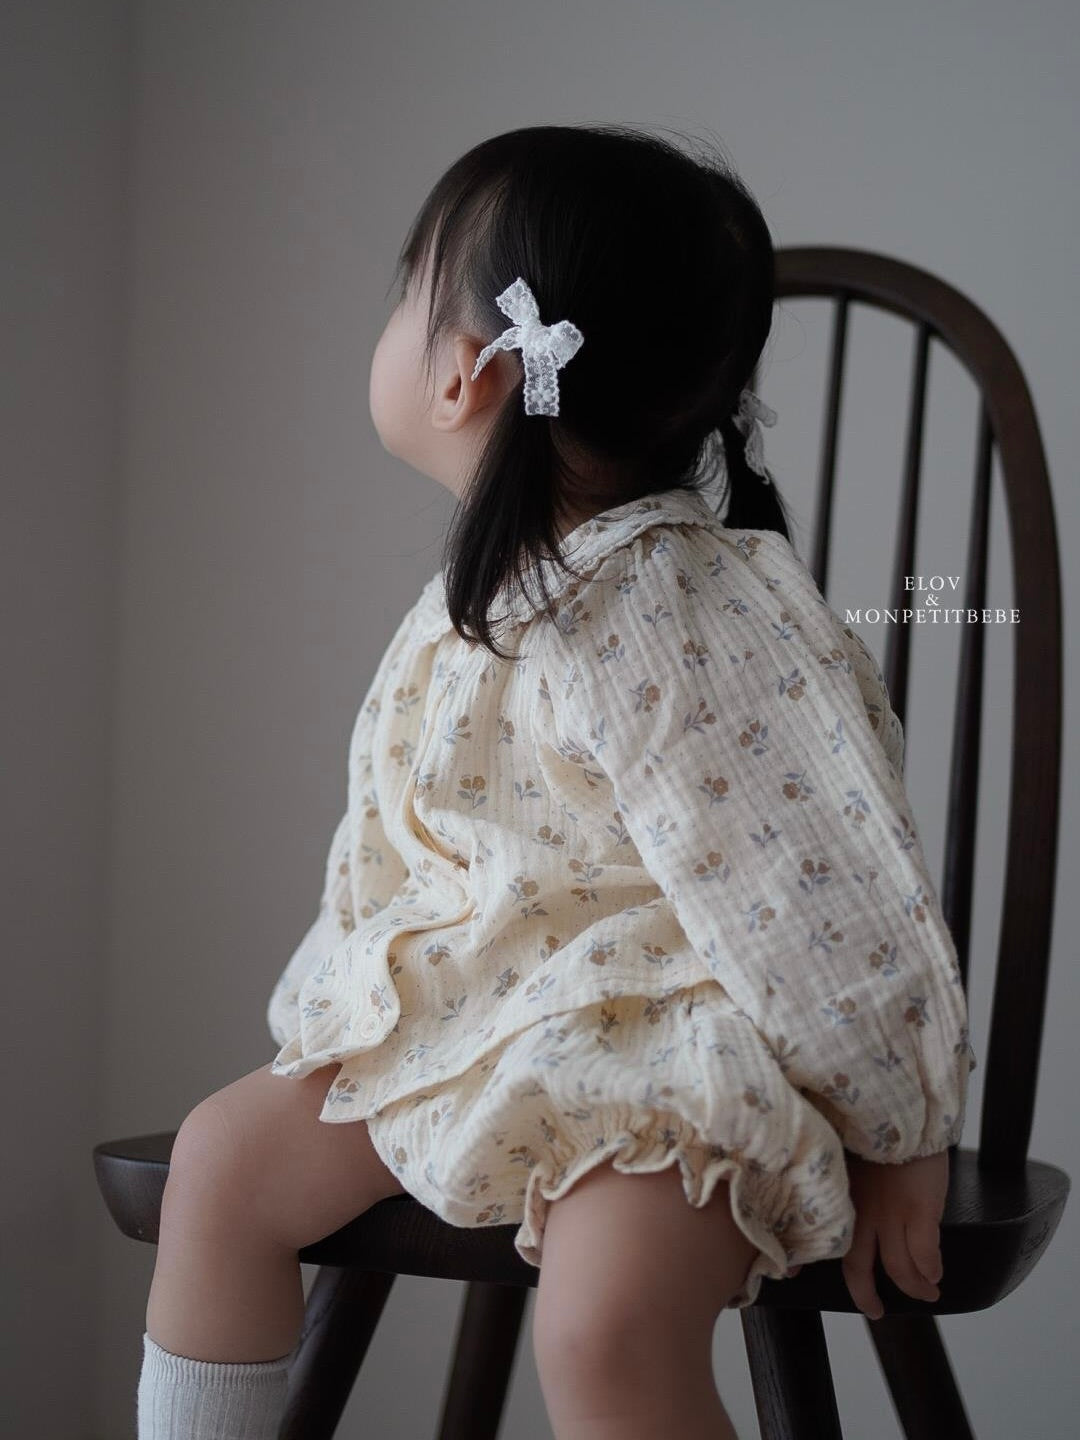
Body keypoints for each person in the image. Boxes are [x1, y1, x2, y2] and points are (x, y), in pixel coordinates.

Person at [136, 124, 976, 1440]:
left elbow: (823, 881)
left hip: (666, 1044)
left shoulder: (686, 606)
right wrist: (336, 1017)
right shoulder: (477, 600)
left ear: (466, 372)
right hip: (472, 1017)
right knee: (222, 1161)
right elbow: (400, 853)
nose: (392, 322)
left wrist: (903, 1123)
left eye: (407, 293)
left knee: (601, 1328)